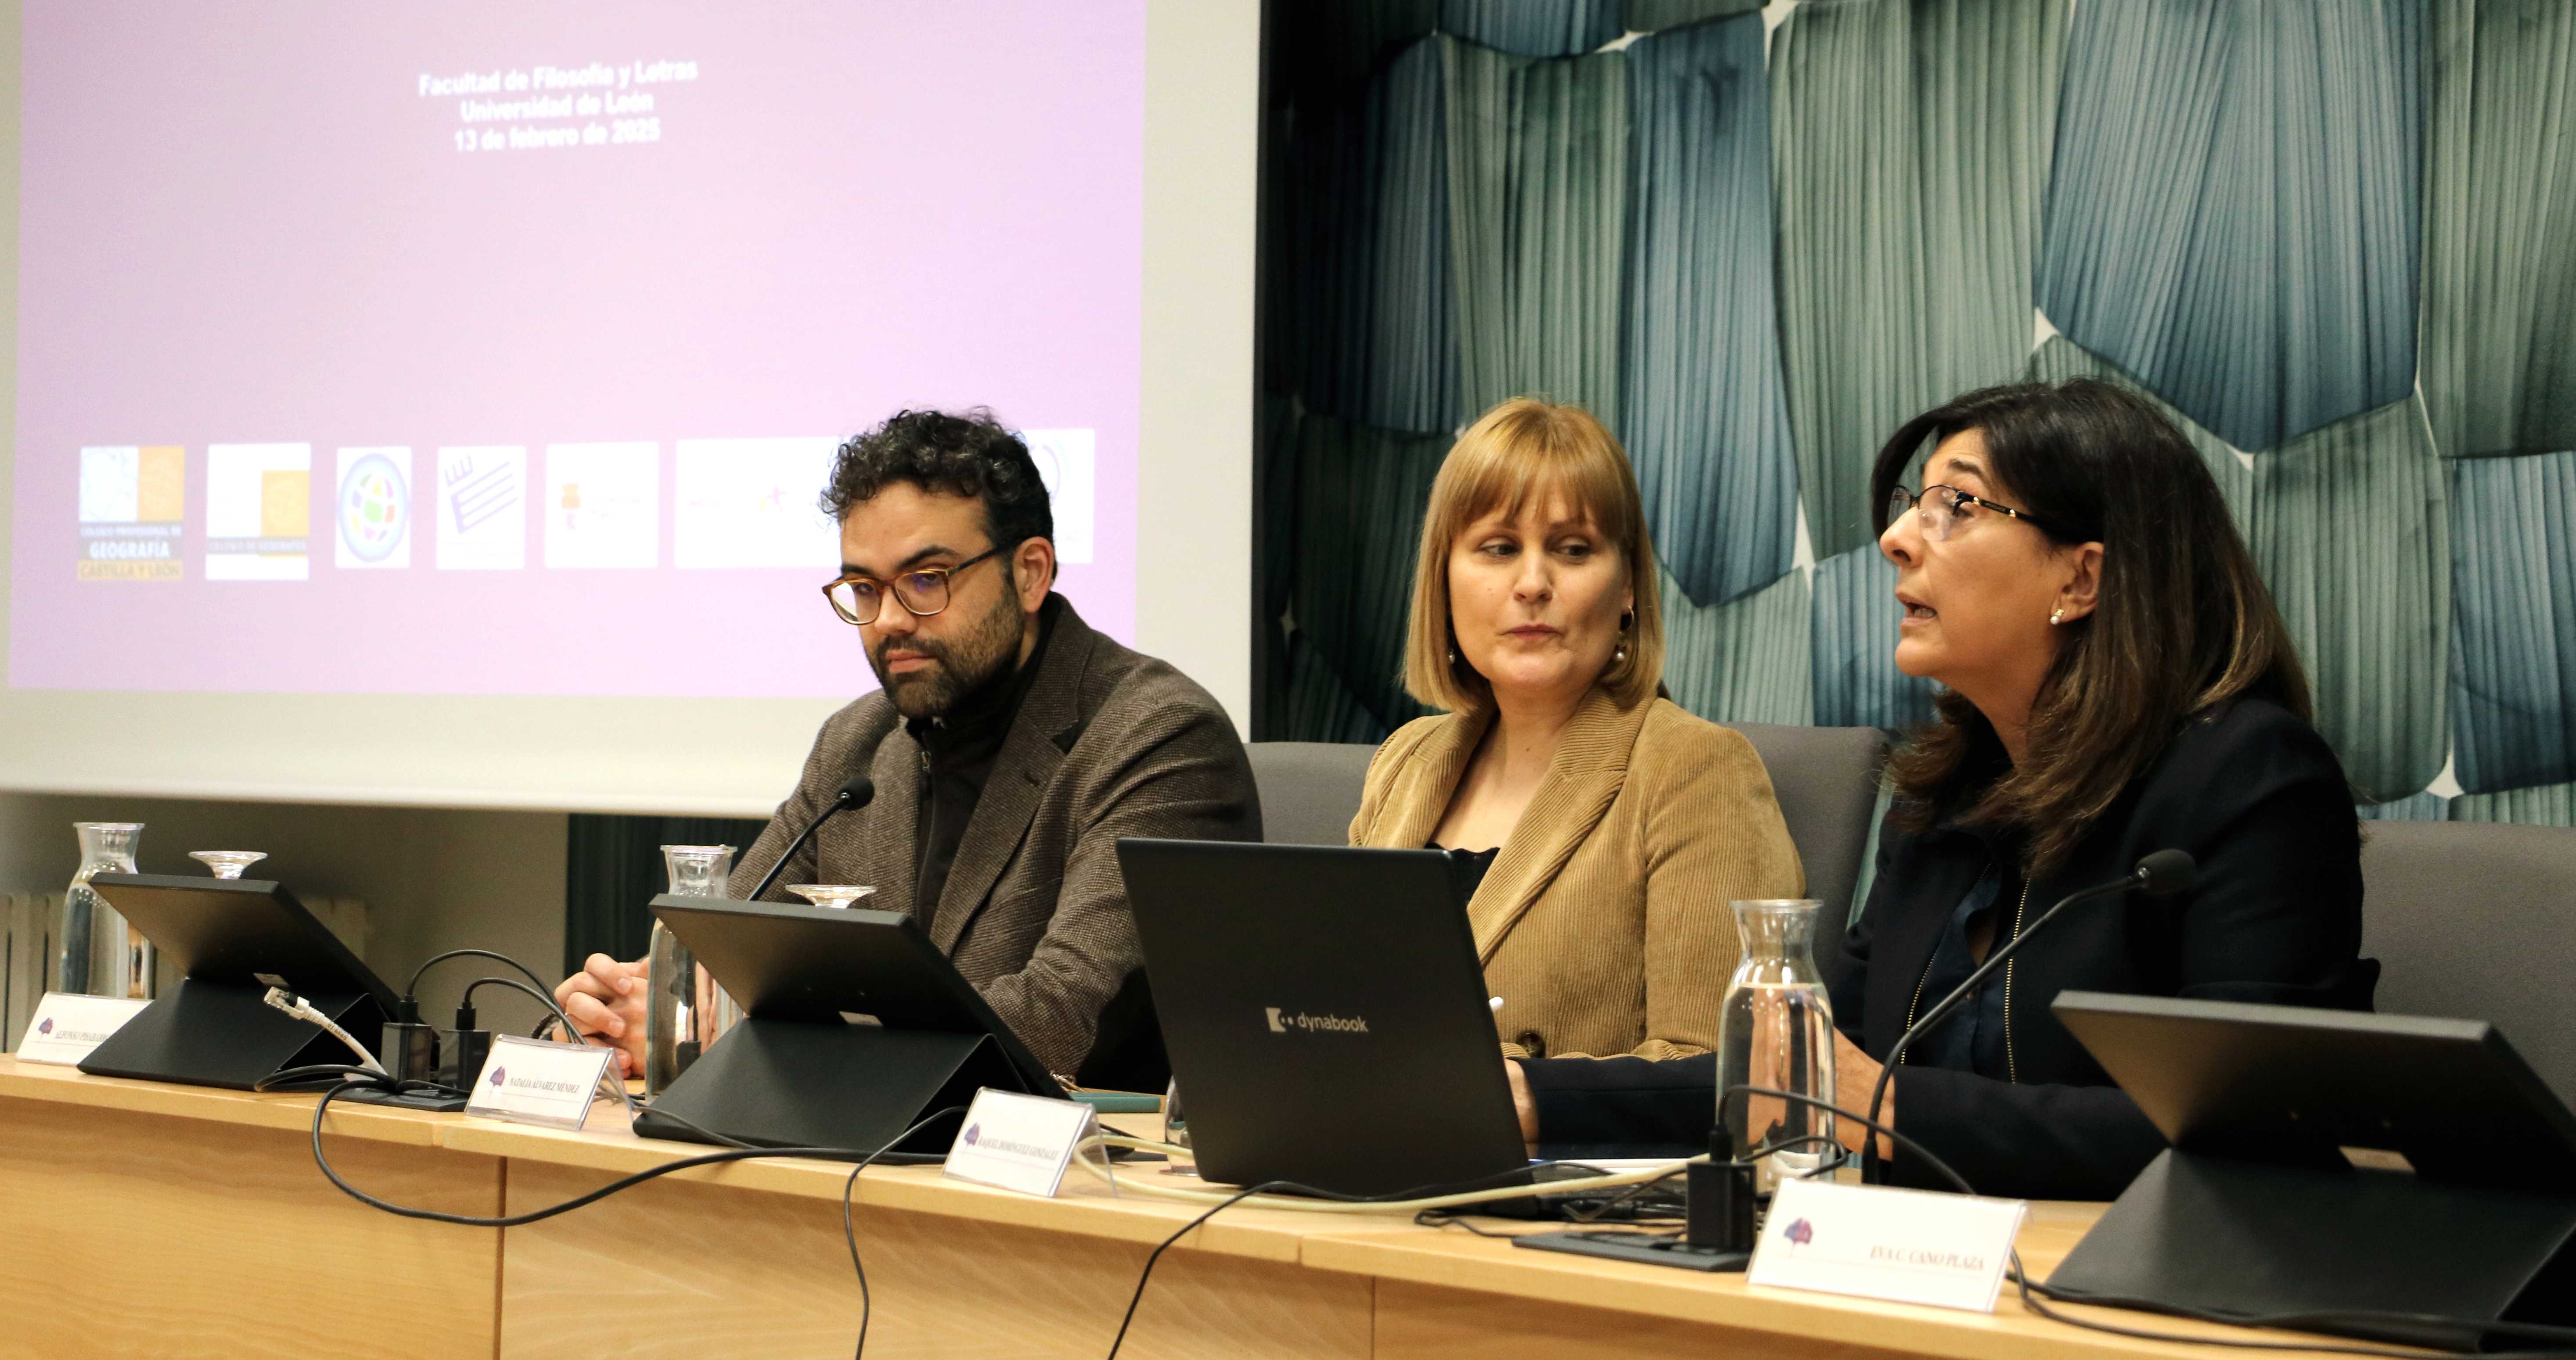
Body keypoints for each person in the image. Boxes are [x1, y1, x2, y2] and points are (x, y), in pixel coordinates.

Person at [1508, 378, 2377, 1199]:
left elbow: (2241, 1128)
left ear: (2082, 579)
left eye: (1956, 507)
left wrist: (1884, 1105)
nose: (1897, 540)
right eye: (1913, 509)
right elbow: (1793, 1070)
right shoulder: (1946, 802)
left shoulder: (2252, 782)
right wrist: (1533, 1097)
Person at [556, 409, 1258, 1088]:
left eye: (926, 580)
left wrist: (751, 1040)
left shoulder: (1159, 738)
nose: (888, 619)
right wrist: (630, 1015)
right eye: (864, 588)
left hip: (1081, 1184)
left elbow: (1057, 1019)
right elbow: (723, 965)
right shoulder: (857, 745)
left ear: (1031, 573)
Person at [1347, 398, 1803, 1063]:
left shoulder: (1697, 769)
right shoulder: (1406, 762)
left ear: (1626, 588)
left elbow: (1722, 1066)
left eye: (1573, 549)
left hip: (1572, 1165)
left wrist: (1536, 1097)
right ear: (1444, 583)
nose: (1533, 583)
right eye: (1498, 549)